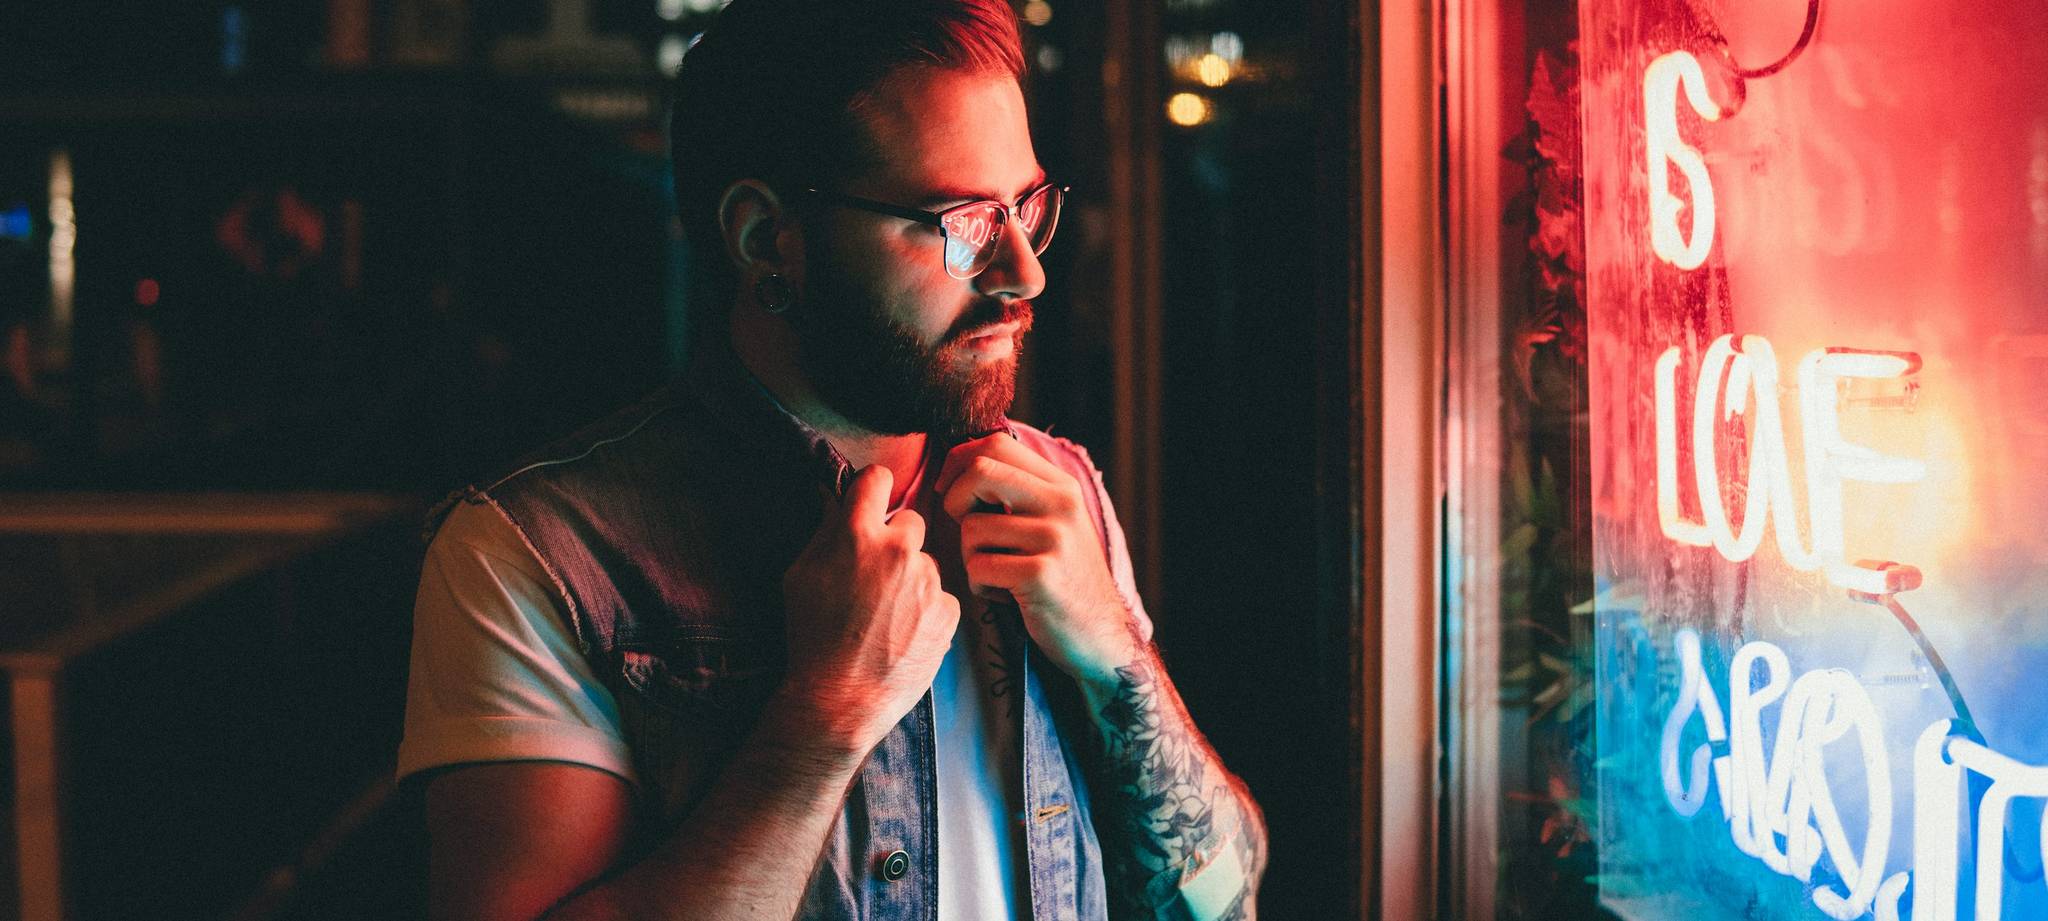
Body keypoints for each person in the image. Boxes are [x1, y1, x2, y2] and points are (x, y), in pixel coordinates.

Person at [395, 1, 1267, 918]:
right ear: (767, 238)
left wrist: (1117, 655)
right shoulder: (535, 557)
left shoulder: (1062, 493)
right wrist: (821, 718)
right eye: (964, 221)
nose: (1025, 272)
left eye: (1026, 208)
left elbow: (1224, 897)